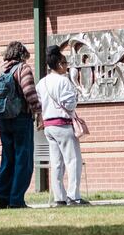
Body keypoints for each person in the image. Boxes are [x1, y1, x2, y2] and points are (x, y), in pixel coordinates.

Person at [38, 47, 90, 207]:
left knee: (57, 163)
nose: (67, 65)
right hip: (63, 124)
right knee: (73, 160)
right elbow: (69, 103)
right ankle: (74, 196)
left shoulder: (42, 83)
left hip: (49, 126)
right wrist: (75, 98)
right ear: (59, 64)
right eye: (65, 62)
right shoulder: (63, 81)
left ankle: (59, 197)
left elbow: (40, 103)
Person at [0, 41, 40, 209]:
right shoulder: (23, 69)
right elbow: (30, 93)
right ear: (22, 54)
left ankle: (3, 199)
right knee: (23, 160)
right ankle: (16, 200)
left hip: (3, 119)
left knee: (7, 159)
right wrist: (38, 111)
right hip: (21, 118)